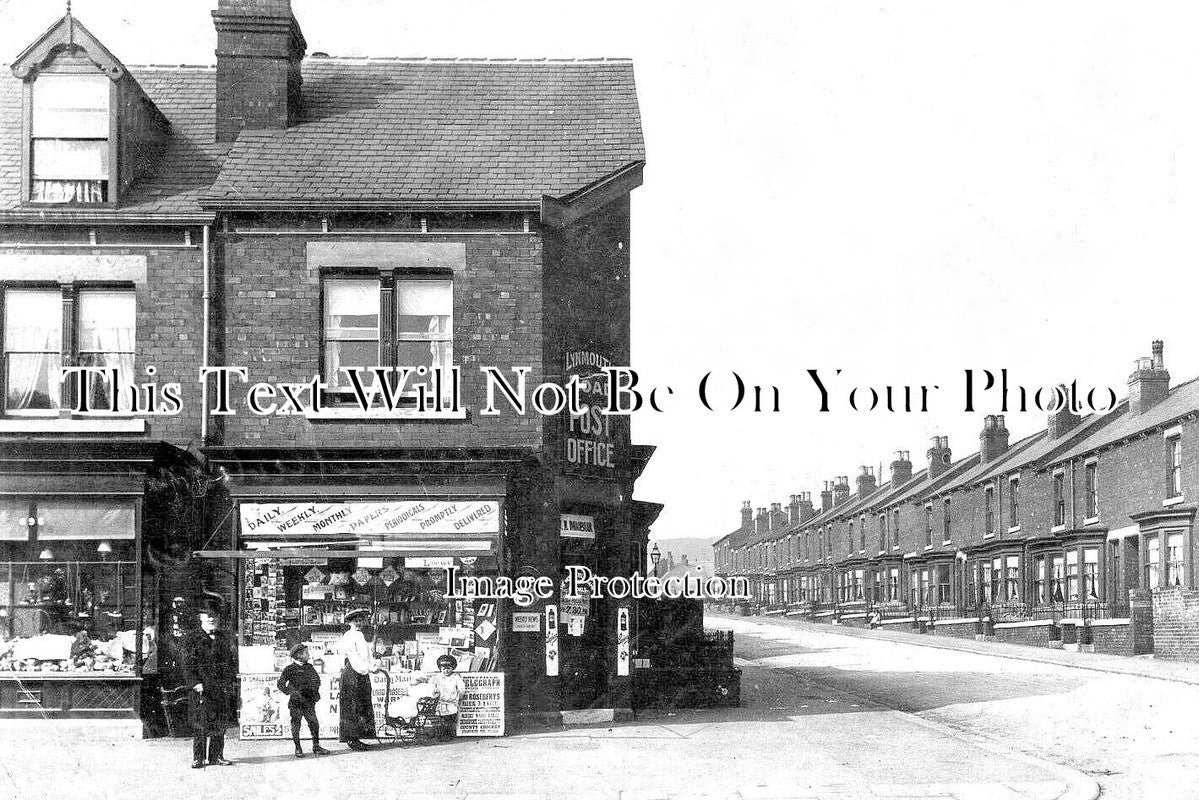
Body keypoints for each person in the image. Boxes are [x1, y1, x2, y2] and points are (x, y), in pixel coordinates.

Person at [180, 601, 238, 769]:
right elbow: (187, 664)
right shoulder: (191, 638)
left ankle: (217, 756)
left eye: (214, 615)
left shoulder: (223, 638)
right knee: (201, 723)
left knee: (220, 723)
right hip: (201, 688)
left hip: (220, 687)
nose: (211, 619)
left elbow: (230, 662)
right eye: (207, 615)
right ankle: (199, 758)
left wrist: (229, 682)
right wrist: (195, 683)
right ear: (200, 618)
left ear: (218, 618)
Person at [277, 644, 329, 758]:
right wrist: (290, 692)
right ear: (299, 655)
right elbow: (280, 684)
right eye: (306, 653)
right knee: (296, 725)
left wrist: (315, 692)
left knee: (314, 723)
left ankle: (316, 746)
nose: (308, 655)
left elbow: (317, 680)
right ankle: (298, 748)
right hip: (296, 703)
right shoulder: (289, 669)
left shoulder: (309, 667)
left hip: (309, 702)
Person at [337, 609, 378, 751]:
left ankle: (358, 737)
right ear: (350, 622)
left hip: (361, 672)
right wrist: (368, 668)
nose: (359, 623)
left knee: (361, 704)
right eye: (356, 621)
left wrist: (373, 665)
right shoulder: (349, 636)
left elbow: (366, 656)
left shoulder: (360, 635)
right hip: (353, 673)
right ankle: (351, 738)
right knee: (352, 705)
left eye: (361, 620)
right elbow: (354, 657)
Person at [426, 654, 466, 738]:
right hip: (440, 702)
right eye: (444, 669)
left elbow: (461, 689)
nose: (446, 671)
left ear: (453, 668)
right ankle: (441, 734)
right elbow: (431, 686)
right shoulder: (436, 678)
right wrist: (434, 691)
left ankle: (450, 734)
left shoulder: (456, 677)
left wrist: (459, 697)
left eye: (448, 669)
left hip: (451, 703)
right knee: (441, 720)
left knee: (450, 719)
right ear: (440, 669)